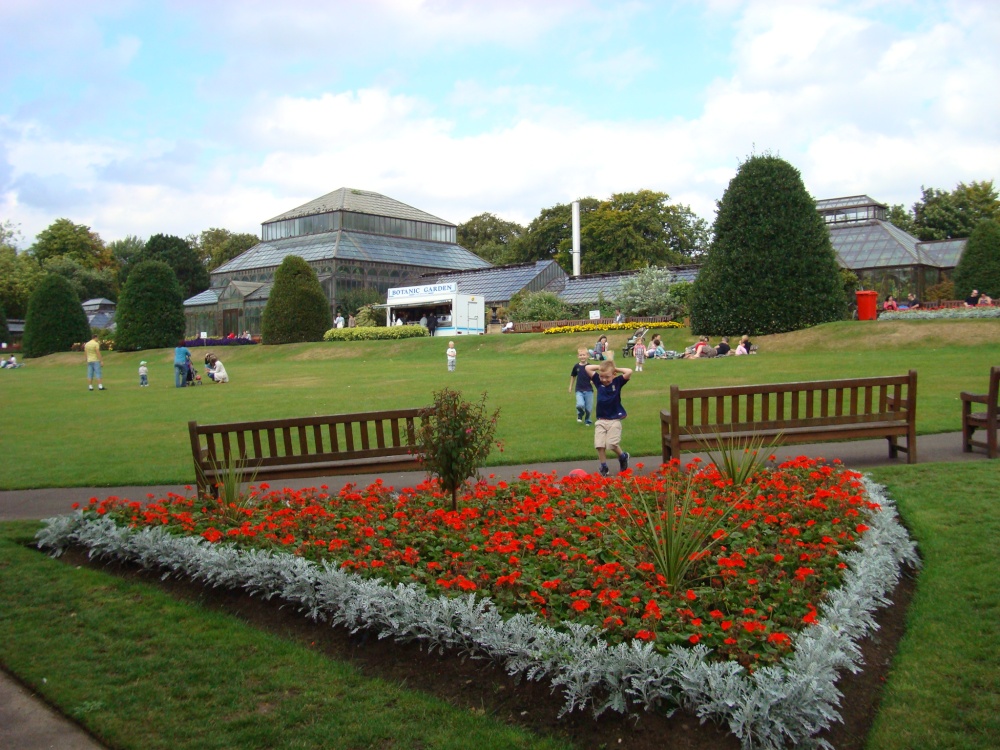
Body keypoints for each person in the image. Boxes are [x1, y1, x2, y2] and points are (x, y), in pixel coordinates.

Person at [584, 360, 632, 477]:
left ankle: (623, 456)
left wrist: (615, 369)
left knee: (612, 444)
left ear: (614, 375)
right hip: (601, 419)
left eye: (607, 377)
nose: (604, 379)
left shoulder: (618, 382)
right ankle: (604, 466)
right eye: (602, 376)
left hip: (614, 419)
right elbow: (588, 368)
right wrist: (601, 367)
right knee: (599, 444)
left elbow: (629, 371)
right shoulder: (597, 381)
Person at [569, 348, 594, 426]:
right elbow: (573, 376)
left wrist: (593, 381)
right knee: (580, 405)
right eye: (581, 355)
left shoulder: (590, 366)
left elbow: (594, 376)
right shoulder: (576, 366)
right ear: (578, 356)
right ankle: (580, 414)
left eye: (584, 355)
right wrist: (570, 386)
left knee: (588, 408)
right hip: (579, 390)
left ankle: (587, 420)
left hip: (589, 390)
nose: (582, 356)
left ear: (587, 356)